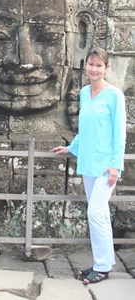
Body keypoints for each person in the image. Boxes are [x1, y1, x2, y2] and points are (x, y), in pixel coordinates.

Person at [51, 47, 126, 285]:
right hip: (88, 162)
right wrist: (71, 148)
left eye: (99, 65)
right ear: (86, 67)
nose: (94, 69)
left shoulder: (115, 95)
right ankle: (100, 263)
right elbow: (84, 129)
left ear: (106, 68)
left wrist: (115, 165)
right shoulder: (84, 93)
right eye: (91, 64)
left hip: (106, 166)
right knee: (99, 214)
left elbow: (119, 133)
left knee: (95, 212)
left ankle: (103, 266)